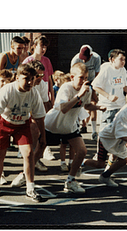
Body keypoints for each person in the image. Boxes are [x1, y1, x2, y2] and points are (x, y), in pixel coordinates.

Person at [44, 62, 106, 193]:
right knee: (36, 153)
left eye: (86, 78)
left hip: (69, 126)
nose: (84, 81)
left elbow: (86, 105)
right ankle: (24, 175)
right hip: (53, 125)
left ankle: (71, 180)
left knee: (82, 151)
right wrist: (79, 95)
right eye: (81, 78)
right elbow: (64, 108)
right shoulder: (66, 88)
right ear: (72, 77)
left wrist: (98, 107)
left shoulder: (86, 89)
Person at [0, 62, 46, 202]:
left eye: (32, 79)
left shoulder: (34, 93)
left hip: (22, 124)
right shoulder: (8, 90)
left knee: (28, 154)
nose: (29, 82)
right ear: (17, 78)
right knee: (0, 155)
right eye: (25, 78)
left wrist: (43, 137)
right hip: (4, 123)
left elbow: (39, 117)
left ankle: (30, 188)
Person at [23, 35, 55, 161]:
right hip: (32, 96)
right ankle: (31, 150)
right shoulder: (28, 61)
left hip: (44, 96)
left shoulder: (47, 61)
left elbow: (50, 81)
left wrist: (51, 98)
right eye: (42, 46)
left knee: (44, 124)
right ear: (34, 46)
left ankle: (45, 149)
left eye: (45, 47)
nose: (43, 49)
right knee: (33, 126)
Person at [92, 49, 127, 130]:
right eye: (121, 59)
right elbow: (95, 86)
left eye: (124, 59)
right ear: (112, 60)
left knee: (120, 132)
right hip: (109, 107)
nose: (123, 62)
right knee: (105, 132)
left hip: (120, 106)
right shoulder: (106, 69)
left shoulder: (123, 70)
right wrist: (108, 96)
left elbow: (124, 87)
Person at [71, 45, 101, 139]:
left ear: (91, 56)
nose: (83, 61)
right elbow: (72, 76)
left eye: (86, 59)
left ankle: (94, 131)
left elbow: (97, 74)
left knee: (93, 102)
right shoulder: (75, 59)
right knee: (77, 102)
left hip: (92, 80)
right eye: (82, 58)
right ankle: (77, 125)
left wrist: (93, 89)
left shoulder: (96, 58)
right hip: (79, 82)